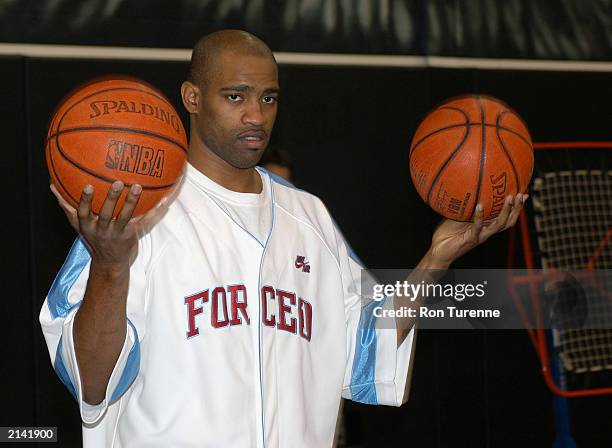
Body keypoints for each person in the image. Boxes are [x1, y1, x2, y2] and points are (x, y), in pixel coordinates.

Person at [40, 30, 527, 447]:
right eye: (236, 96)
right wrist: (109, 266)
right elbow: (91, 381)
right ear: (192, 98)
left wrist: (439, 255)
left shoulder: (308, 216)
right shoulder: (133, 213)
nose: (256, 114)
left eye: (268, 98)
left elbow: (364, 352)